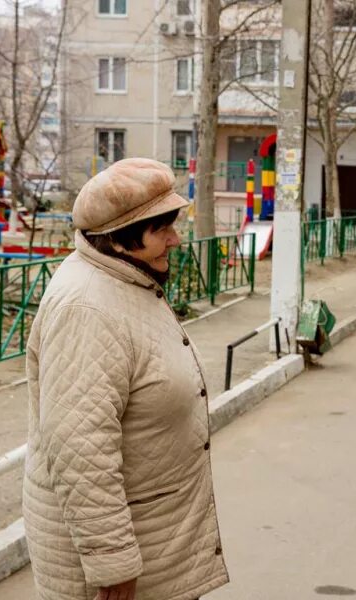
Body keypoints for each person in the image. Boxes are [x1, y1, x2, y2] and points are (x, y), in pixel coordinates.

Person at [23, 158, 229, 600]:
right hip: (118, 572)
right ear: (118, 238)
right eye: (162, 230)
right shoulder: (87, 308)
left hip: (154, 540)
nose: (175, 240)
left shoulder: (125, 281)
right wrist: (112, 563)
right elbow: (81, 448)